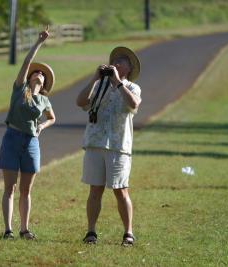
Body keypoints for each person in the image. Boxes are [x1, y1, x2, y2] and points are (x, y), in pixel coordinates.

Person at [76, 47, 141, 246]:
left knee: (121, 190)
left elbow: (134, 105)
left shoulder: (132, 87)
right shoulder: (99, 85)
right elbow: (80, 102)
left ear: (129, 68)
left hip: (118, 146)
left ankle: (128, 232)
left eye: (123, 61)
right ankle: (91, 231)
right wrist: (95, 77)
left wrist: (118, 83)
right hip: (95, 143)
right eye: (116, 60)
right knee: (95, 190)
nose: (118, 63)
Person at [0, 26, 56, 240]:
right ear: (30, 77)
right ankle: (8, 230)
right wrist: (39, 42)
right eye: (36, 72)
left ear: (45, 82)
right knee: (9, 188)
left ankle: (24, 229)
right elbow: (26, 63)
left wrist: (42, 126)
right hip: (12, 138)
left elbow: (52, 118)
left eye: (42, 74)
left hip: (31, 142)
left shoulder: (45, 100)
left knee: (26, 190)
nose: (38, 74)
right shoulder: (20, 89)